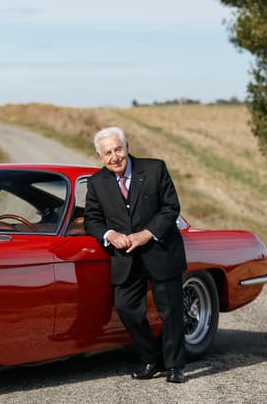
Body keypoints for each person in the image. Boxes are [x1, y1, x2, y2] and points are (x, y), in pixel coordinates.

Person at [83, 126, 188, 383]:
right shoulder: (97, 183)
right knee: (126, 308)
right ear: (100, 156)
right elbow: (92, 220)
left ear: (127, 147)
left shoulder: (154, 169)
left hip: (160, 250)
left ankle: (175, 367)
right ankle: (151, 359)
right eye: (107, 153)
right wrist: (110, 235)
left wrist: (146, 234)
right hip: (125, 258)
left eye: (118, 149)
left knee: (171, 311)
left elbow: (170, 207)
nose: (114, 157)